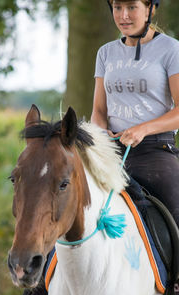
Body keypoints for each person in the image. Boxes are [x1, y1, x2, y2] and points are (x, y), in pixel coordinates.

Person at [91, 0, 179, 229]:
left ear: (150, 8)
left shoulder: (171, 49)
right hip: (109, 151)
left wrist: (143, 129)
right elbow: (99, 112)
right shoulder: (105, 53)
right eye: (117, 7)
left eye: (132, 7)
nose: (123, 16)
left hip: (154, 151)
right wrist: (101, 131)